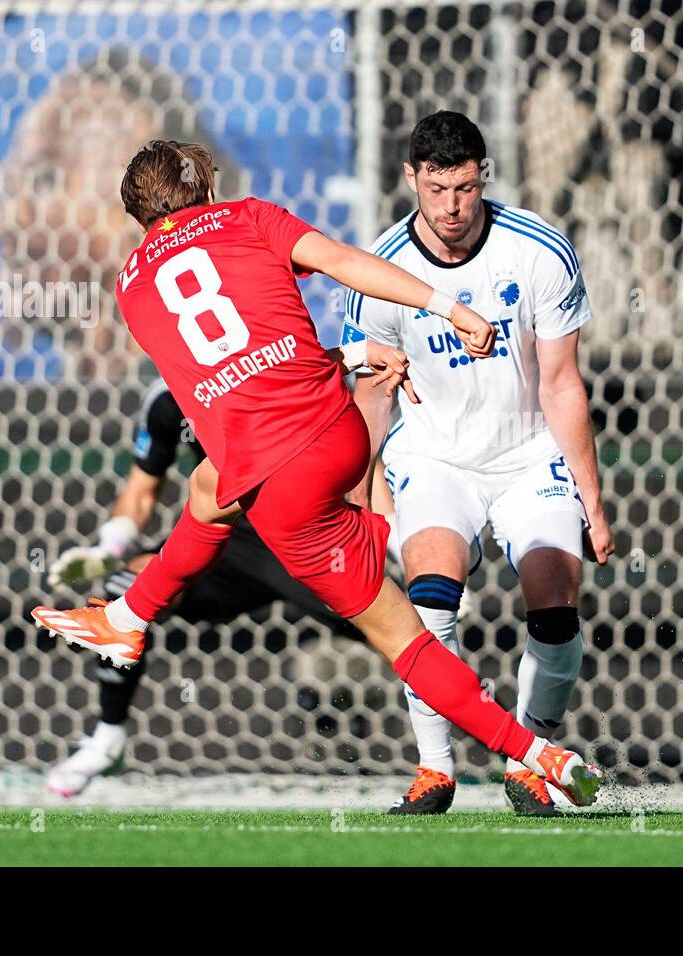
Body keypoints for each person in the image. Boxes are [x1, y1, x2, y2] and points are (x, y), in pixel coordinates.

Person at [31, 140, 603, 806]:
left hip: (280, 492)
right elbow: (342, 265)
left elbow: (230, 380)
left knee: (397, 634)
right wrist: (443, 309)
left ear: (138, 216)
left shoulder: (132, 288)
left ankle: (536, 754)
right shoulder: (246, 217)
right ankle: (133, 611)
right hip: (340, 433)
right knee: (210, 487)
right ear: (206, 188)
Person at [343, 112, 614, 816]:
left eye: (464, 187)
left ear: (483, 176)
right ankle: (435, 770)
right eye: (436, 190)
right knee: (431, 599)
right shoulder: (380, 268)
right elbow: (370, 394)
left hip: (529, 456)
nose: (451, 207)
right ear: (411, 179)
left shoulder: (539, 252)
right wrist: (360, 493)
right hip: (433, 455)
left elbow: (560, 383)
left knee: (555, 608)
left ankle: (532, 760)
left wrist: (593, 498)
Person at [43, 380, 348, 796]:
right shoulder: (167, 397)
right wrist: (108, 547)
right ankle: (108, 736)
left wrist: (398, 548)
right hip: (227, 540)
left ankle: (443, 750)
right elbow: (142, 488)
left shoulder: (277, 370)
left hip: (308, 531)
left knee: (402, 634)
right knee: (124, 588)